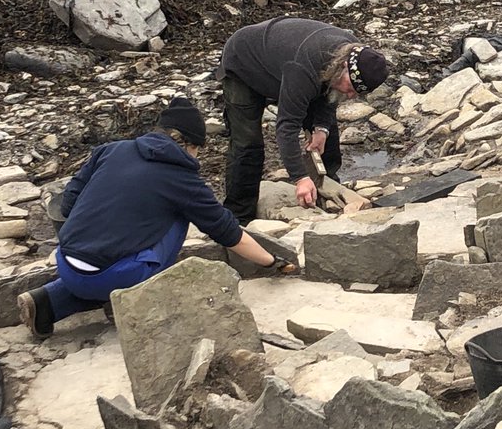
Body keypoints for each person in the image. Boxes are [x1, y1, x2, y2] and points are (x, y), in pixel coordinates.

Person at [17, 98, 294, 339]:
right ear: (186, 144)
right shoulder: (182, 179)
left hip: (65, 263)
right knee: (178, 218)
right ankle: (132, 302)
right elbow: (228, 233)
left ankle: (49, 302)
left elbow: (67, 205)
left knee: (105, 259)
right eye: (198, 149)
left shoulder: (110, 150)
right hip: (111, 278)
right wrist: (272, 262)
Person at [216, 18, 389, 223]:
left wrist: (322, 129)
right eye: (351, 88)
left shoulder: (356, 56)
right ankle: (239, 217)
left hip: (286, 62)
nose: (351, 96)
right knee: (248, 144)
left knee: (327, 132)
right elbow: (286, 126)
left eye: (357, 93)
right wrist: (299, 177)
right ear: (342, 66)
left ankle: (327, 188)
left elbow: (331, 96)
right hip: (244, 63)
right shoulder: (303, 67)